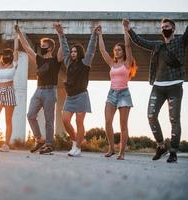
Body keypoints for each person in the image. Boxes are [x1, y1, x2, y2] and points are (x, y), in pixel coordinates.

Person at [125, 18, 187, 163]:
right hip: (158, 86)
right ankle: (161, 146)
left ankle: (173, 152)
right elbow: (140, 41)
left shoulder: (180, 41)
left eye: (167, 26)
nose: (164, 29)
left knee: (174, 119)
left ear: (173, 29)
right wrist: (128, 29)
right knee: (151, 116)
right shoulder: (158, 46)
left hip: (175, 85)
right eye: (162, 27)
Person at [15, 24, 63, 154]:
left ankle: (49, 144)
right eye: (41, 46)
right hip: (39, 90)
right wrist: (19, 34)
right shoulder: (39, 60)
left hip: (50, 91)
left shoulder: (56, 60)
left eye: (44, 47)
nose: (41, 48)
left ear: (50, 48)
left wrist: (60, 33)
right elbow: (27, 47)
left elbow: (63, 49)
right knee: (30, 115)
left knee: (49, 120)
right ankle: (39, 140)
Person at [97, 19, 137, 160]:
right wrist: (100, 34)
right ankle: (111, 148)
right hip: (112, 94)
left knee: (123, 125)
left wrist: (125, 29)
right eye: (115, 50)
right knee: (107, 122)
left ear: (123, 52)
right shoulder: (111, 63)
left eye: (119, 49)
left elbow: (127, 45)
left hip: (124, 95)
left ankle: (122, 152)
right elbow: (102, 50)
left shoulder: (127, 63)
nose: (117, 51)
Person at [55, 23, 98, 157]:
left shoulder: (85, 62)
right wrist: (61, 34)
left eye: (75, 52)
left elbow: (91, 49)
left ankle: (78, 148)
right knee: (65, 119)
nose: (72, 53)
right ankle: (75, 141)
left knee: (79, 122)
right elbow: (65, 48)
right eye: (72, 52)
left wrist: (94, 35)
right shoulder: (69, 62)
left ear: (79, 53)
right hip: (70, 96)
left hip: (81, 96)